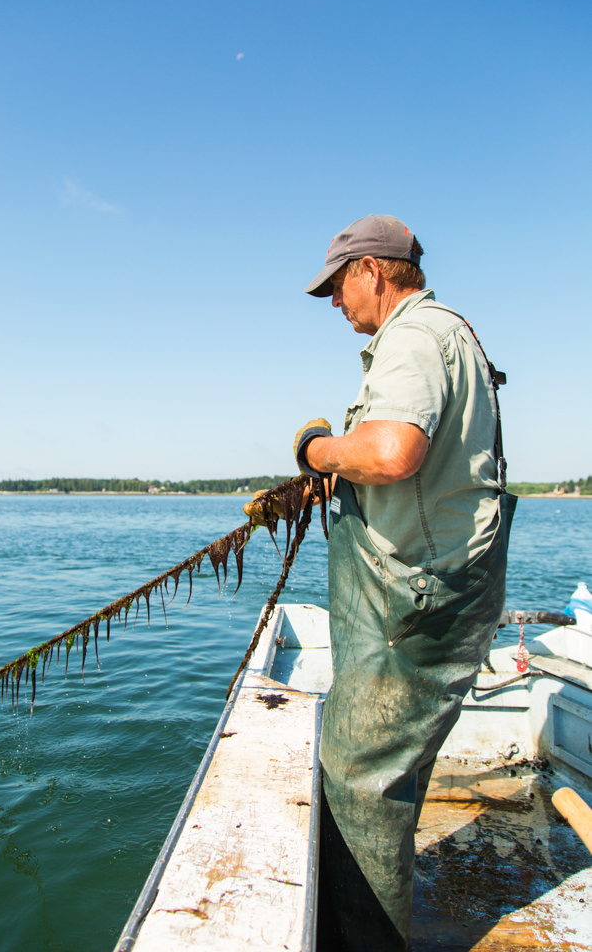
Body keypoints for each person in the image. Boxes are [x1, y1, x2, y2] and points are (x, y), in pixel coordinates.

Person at [292, 214, 510, 951]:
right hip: (436, 586)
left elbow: (389, 452)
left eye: (335, 285)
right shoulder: (447, 335)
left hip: (413, 596)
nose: (332, 303)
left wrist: (317, 449)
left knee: (358, 778)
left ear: (372, 272)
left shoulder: (414, 338)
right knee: (391, 770)